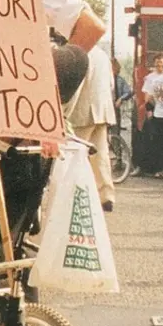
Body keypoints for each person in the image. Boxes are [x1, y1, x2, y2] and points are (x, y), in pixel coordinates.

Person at [65, 45, 117, 211]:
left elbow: (75, 88)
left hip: (82, 112)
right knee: (101, 155)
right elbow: (111, 84)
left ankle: (72, 196)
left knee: (73, 155)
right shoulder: (102, 55)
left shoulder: (78, 54)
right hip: (102, 110)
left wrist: (65, 112)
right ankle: (106, 196)